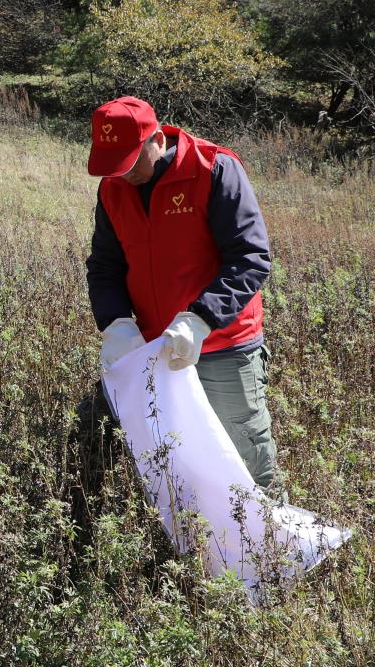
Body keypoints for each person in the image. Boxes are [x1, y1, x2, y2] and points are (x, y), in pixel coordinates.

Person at [81, 95, 281, 499]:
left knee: (245, 457)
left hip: (223, 344)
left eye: (130, 161)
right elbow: (105, 266)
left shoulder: (214, 169)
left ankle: (271, 554)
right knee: (174, 457)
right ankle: (196, 550)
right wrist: (116, 324)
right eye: (112, 165)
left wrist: (201, 318)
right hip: (155, 349)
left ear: (157, 138)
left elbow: (251, 258)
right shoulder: (114, 189)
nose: (121, 175)